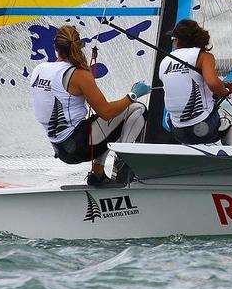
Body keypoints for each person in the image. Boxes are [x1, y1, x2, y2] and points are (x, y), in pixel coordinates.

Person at [30, 25, 149, 185]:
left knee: (103, 119)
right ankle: (122, 169)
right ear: (79, 46)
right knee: (137, 109)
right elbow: (107, 112)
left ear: (55, 47)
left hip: (60, 149)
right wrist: (132, 95)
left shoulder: (39, 69)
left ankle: (98, 174)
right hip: (79, 147)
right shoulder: (79, 74)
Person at [159, 19, 232, 146]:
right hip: (204, 127)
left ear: (177, 40)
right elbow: (213, 83)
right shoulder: (204, 56)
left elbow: (181, 83)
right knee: (231, 123)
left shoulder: (165, 61)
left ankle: (190, 153)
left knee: (181, 121)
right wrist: (224, 91)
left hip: (177, 131)